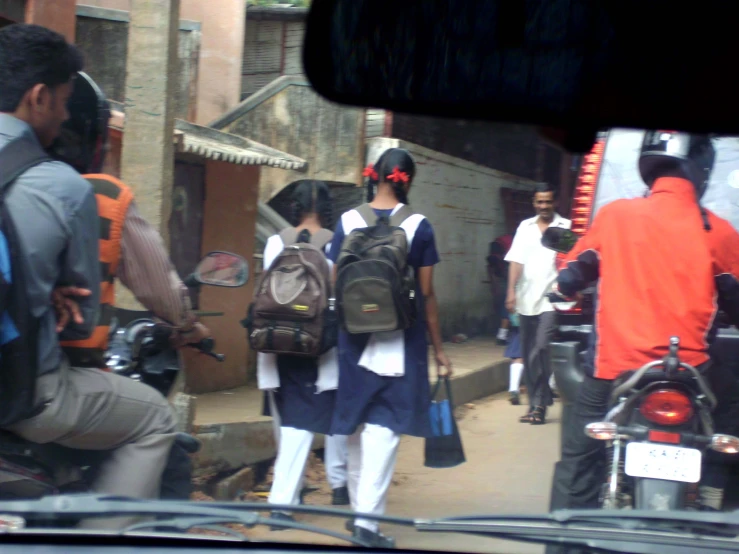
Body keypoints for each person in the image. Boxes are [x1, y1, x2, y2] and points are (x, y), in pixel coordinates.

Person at [0, 23, 174, 530]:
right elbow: (80, 323)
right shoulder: (62, 185)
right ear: (38, 97)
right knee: (154, 420)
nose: (61, 116)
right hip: (24, 394)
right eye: (61, 102)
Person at [547, 132, 739, 537]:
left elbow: (573, 269)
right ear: (702, 171)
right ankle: (719, 506)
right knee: (728, 431)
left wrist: (563, 286)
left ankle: (565, 545)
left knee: (579, 461)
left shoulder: (615, 216)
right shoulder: (719, 232)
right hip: (693, 372)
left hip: (615, 370)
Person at [45, 71, 210, 501]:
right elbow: (159, 288)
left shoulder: (16, 183)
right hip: (53, 379)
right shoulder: (103, 195)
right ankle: (113, 539)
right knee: (157, 421)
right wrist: (187, 324)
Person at [327, 148, 452, 547]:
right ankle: (367, 525)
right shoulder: (419, 225)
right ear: (407, 180)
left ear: (374, 176)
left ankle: (361, 515)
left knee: (357, 423)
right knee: (385, 427)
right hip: (401, 337)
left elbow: (335, 283)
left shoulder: (347, 220)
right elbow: (428, 294)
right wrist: (439, 350)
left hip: (353, 337)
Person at [258, 180, 349, 527]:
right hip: (317, 344)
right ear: (327, 210)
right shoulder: (334, 244)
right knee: (308, 421)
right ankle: (283, 503)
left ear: (294, 207)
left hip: (275, 342)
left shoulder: (274, 243)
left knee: (288, 418)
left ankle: (291, 493)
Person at [504, 184, 571, 425]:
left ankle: (540, 403)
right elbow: (516, 261)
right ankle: (536, 404)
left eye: (548, 202)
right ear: (534, 203)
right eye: (539, 202)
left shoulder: (565, 227)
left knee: (541, 348)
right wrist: (510, 291)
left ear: (555, 202)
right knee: (527, 352)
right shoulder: (525, 227)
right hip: (525, 298)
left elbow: (571, 262)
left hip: (551, 300)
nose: (544, 207)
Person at [487, 234, 513, 344]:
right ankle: (502, 336)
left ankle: (502, 335)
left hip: (504, 281)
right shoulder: (506, 256)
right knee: (506, 309)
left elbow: (490, 269)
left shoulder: (498, 247)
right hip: (507, 282)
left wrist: (494, 285)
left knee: (504, 308)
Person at [505, 311, 524, 405]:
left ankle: (514, 389)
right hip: (536, 319)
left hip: (518, 320)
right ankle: (550, 386)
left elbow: (509, 304)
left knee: (518, 355)